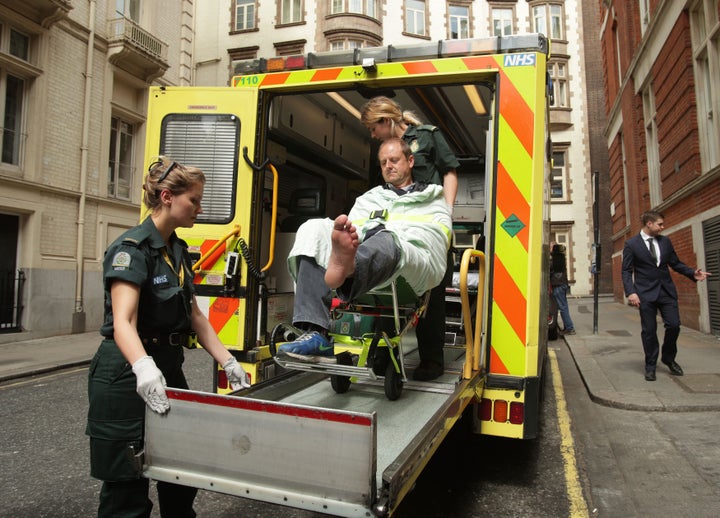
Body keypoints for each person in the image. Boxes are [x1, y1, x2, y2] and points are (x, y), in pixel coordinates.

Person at [86, 157, 250, 517]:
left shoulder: (176, 249)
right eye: (194, 199)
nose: (199, 208)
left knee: (181, 469)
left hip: (167, 367)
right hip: (125, 372)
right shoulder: (131, 249)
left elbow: (194, 316)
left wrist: (228, 360)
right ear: (166, 197)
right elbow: (123, 321)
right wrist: (143, 367)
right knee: (127, 484)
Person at [277, 138, 452, 365]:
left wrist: (400, 235)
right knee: (312, 229)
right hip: (362, 251)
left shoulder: (431, 196)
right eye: (383, 162)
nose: (388, 166)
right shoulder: (370, 198)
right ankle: (316, 333)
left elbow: (438, 234)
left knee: (389, 239)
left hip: (402, 248)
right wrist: (351, 241)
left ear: (410, 161)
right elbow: (352, 228)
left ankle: (348, 266)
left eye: (394, 160)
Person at [360, 96, 460, 381]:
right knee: (385, 289)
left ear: (385, 120)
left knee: (432, 296)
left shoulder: (427, 137)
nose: (372, 134)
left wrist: (446, 214)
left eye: (372, 127)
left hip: (429, 227)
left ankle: (431, 361)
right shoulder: (387, 153)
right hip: (400, 227)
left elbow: (450, 173)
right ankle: (385, 353)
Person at [621, 210, 711, 382]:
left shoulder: (665, 241)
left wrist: (693, 273)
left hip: (666, 291)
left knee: (674, 325)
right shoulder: (632, 244)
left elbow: (675, 263)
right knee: (649, 331)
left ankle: (668, 358)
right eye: (660, 224)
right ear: (649, 224)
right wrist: (631, 292)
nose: (663, 227)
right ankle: (651, 366)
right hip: (645, 294)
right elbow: (626, 270)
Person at [550, 243, 575, 335]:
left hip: (558, 286)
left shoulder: (553, 261)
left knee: (563, 307)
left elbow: (549, 270)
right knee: (564, 307)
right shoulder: (561, 258)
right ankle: (567, 327)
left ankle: (569, 328)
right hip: (563, 284)